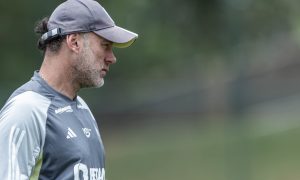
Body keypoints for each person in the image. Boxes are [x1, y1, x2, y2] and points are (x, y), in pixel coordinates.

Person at [0, 0, 138, 179]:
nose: (112, 58)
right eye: (105, 46)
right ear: (74, 42)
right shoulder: (26, 110)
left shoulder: (82, 108)